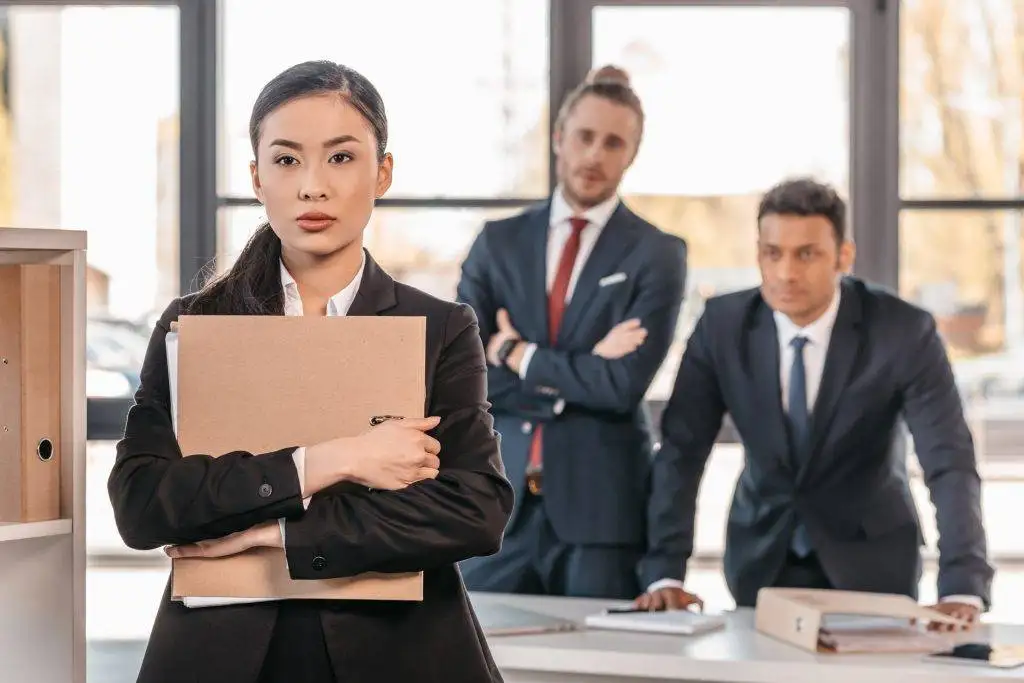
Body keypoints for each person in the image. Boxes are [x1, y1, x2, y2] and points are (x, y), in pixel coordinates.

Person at [107, 60, 513, 683]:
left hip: (398, 651)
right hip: (224, 652)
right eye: (288, 160)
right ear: (257, 177)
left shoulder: (440, 327)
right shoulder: (194, 324)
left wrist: (273, 535)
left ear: (383, 173)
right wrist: (336, 459)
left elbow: (474, 510)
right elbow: (142, 505)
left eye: (342, 158)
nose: (312, 186)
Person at [637, 178, 993, 627]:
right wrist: (663, 572)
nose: (786, 272)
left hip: (874, 564)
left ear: (844, 256)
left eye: (807, 254)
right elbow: (681, 453)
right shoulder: (722, 327)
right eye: (773, 253)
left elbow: (948, 461)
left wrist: (961, 584)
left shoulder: (903, 331)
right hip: (761, 559)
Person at [456, 65, 687, 600]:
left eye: (613, 143)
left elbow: (622, 386)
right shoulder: (498, 243)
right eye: (584, 136)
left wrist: (517, 352)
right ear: (559, 138)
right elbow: (464, 372)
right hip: (497, 508)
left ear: (631, 153)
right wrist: (582, 368)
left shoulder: (658, 255)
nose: (594, 155)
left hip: (602, 519)